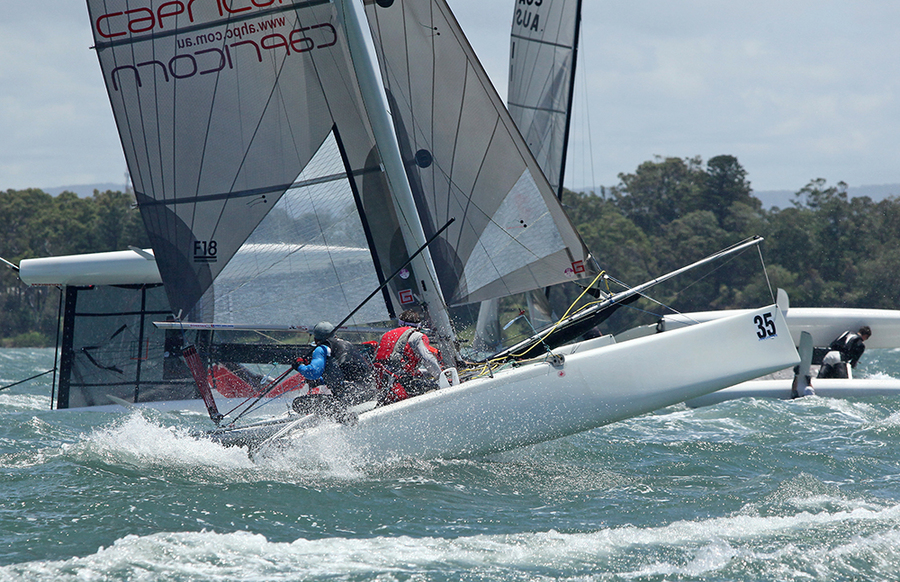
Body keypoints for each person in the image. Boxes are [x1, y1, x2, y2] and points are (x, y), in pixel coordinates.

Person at [290, 321, 360, 423]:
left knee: (298, 403)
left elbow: (313, 373)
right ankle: (341, 413)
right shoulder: (348, 345)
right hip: (366, 394)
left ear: (315, 339)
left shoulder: (322, 348)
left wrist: (299, 366)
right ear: (335, 335)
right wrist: (320, 381)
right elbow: (345, 374)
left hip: (348, 398)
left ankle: (342, 416)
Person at [373, 309, 443, 404]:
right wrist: (441, 377)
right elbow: (427, 359)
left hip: (383, 388)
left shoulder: (386, 335)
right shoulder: (417, 336)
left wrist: (425, 373)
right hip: (402, 385)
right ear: (419, 325)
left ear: (400, 324)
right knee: (435, 386)